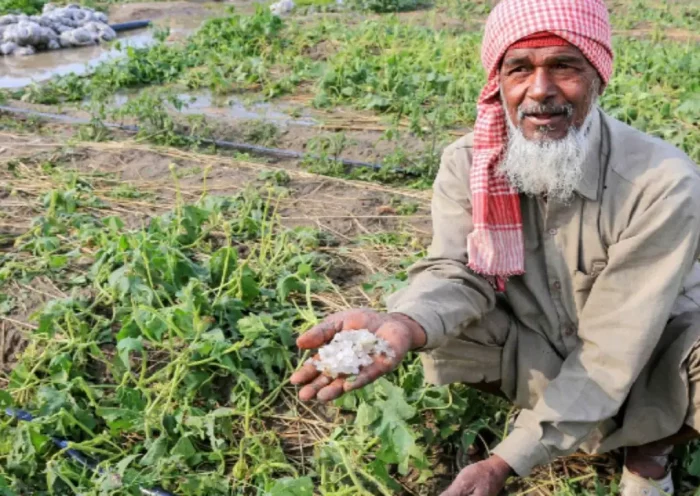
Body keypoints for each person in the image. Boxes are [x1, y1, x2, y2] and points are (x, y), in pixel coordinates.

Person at [291, 0, 700, 494]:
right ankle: (571, 421)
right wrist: (402, 324)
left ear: (598, 75)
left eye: (564, 66)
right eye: (519, 69)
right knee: (445, 330)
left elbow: (616, 346)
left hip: (652, 344)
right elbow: (457, 271)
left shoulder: (661, 181)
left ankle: (649, 452)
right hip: (540, 336)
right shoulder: (469, 163)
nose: (540, 90)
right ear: (499, 81)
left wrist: (501, 464)